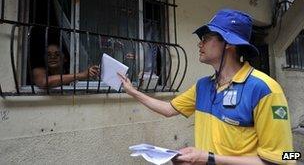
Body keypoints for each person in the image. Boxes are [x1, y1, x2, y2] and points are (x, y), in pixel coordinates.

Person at [118, 9, 294, 165]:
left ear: (230, 43)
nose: (199, 44)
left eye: (206, 38)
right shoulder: (203, 86)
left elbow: (288, 157)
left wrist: (207, 158)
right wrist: (133, 92)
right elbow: (168, 109)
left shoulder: (265, 89)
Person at [33, 44, 99, 88]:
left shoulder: (71, 70)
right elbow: (44, 82)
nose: (52, 57)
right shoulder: (38, 70)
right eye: (48, 55)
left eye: (57, 54)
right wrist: (81, 75)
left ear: (65, 58)